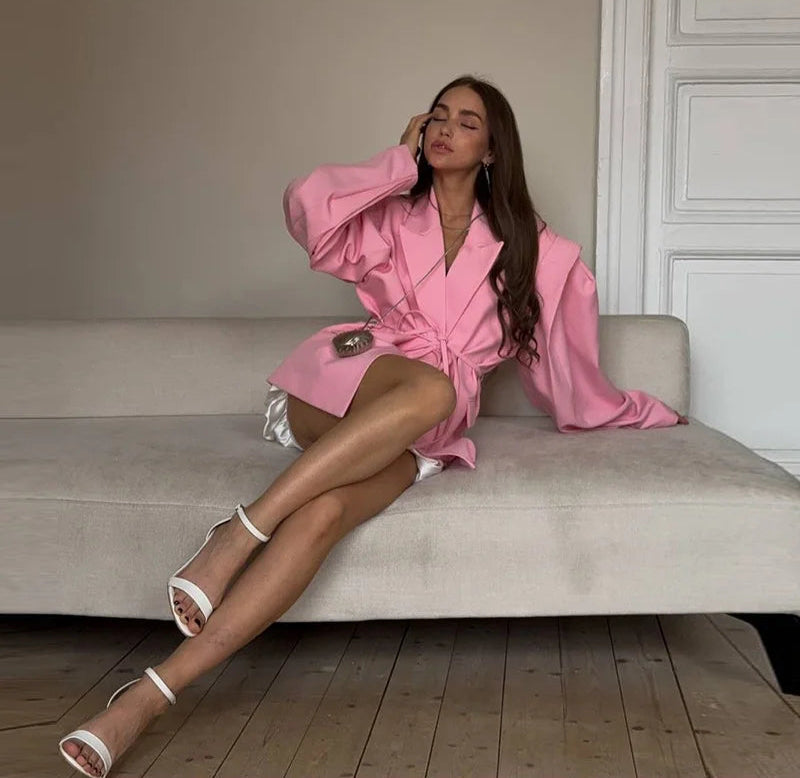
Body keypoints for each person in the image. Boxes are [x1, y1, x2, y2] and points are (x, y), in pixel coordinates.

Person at [58, 74, 687, 777]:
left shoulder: (538, 252)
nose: (445, 128)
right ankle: (238, 532)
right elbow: (306, 207)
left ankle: (146, 697)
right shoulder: (392, 215)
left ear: (492, 149)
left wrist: (639, 409)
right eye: (437, 116)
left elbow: (569, 373)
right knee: (430, 389)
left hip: (424, 427)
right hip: (349, 380)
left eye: (467, 122)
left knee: (329, 510)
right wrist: (395, 164)